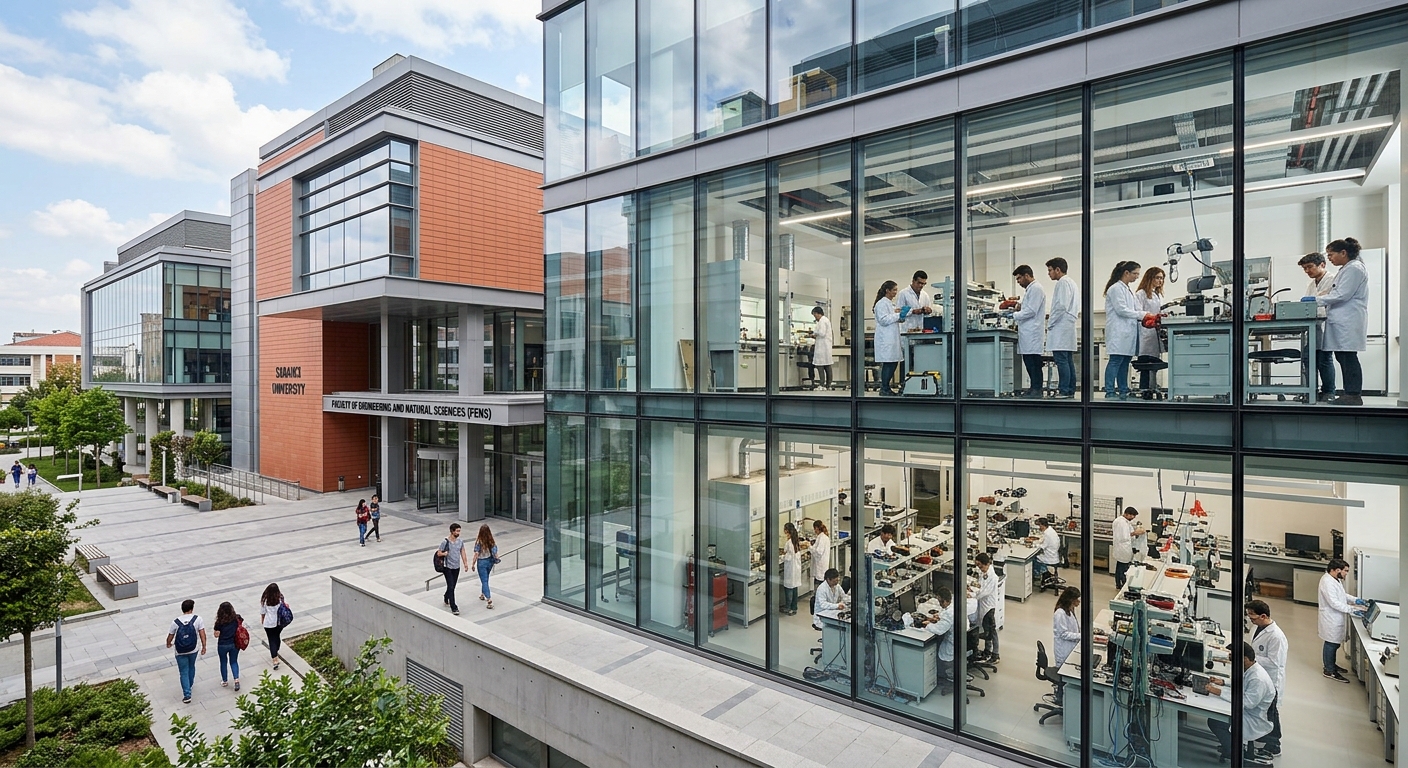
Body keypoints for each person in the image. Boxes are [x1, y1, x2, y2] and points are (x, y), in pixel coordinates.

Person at [1204, 642, 1276, 765]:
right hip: (1248, 711)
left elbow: (1247, 703)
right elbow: (1241, 683)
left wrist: (1219, 692)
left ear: (1245, 659)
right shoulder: (1249, 669)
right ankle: (1232, 745)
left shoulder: (1258, 678)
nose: (1230, 659)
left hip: (1252, 718)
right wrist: (1223, 682)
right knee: (1217, 714)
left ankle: (1235, 753)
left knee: (1216, 721)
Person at [1318, 237, 1370, 405]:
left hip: (1348, 319)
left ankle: (1353, 395)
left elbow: (1342, 294)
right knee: (1343, 356)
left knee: (1348, 357)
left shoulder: (1354, 268)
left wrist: (1316, 300)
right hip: (1342, 319)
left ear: (1343, 252)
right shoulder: (1347, 268)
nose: (1329, 258)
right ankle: (1351, 393)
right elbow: (1338, 291)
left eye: (1331, 254)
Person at [1246, 600, 1286, 757]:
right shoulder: (1258, 628)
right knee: (1263, 710)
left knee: (1271, 712)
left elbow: (1275, 662)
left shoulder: (1276, 636)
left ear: (1263, 616)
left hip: (1271, 679)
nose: (1251, 620)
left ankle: (1274, 744)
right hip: (1258, 675)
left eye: (1253, 617)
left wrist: (1250, 658)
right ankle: (1262, 736)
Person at [1102, 260, 1145, 400]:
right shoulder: (1115, 288)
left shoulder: (1127, 289)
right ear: (1126, 273)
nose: (1137, 277)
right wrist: (1141, 315)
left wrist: (1146, 315)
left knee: (1125, 361)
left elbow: (1135, 308)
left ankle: (1123, 389)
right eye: (1135, 274)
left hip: (1127, 332)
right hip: (1118, 331)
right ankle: (1109, 391)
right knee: (1115, 360)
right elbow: (1121, 310)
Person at [1318, 558, 1364, 682]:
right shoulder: (1327, 582)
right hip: (1331, 617)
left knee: (1335, 643)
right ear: (1337, 570)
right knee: (1331, 644)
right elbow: (1334, 602)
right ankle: (1329, 670)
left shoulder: (1335, 579)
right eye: (1345, 571)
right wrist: (1352, 609)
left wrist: (1356, 600)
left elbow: (1342, 595)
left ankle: (1331, 665)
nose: (1346, 574)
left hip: (1336, 617)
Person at [1299, 252, 1336, 401]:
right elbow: (1308, 305)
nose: (1307, 271)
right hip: (1313, 327)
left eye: (1309, 267)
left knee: (1324, 360)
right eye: (1305, 269)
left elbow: (1328, 301)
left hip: (1326, 325)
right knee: (1308, 358)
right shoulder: (1310, 285)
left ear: (1322, 264)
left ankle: (1329, 392)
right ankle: (1311, 391)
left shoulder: (1332, 280)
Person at [1009, 265, 1048, 398]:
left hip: (1032, 332)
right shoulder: (1031, 290)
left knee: (1034, 363)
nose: (1018, 281)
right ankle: (1034, 388)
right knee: (1030, 363)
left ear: (1027, 275)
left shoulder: (1036, 288)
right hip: (1028, 332)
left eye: (1019, 278)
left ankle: (1037, 389)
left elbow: (1031, 311)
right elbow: (1028, 308)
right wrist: (1020, 308)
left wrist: (1013, 315)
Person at [1045, 258, 1079, 399]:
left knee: (1061, 360)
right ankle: (1070, 389)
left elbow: (1061, 306)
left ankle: (1064, 390)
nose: (1049, 274)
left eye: (1050, 270)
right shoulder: (1071, 283)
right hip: (1067, 326)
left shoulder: (1063, 283)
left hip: (1061, 326)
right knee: (1067, 359)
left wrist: (1050, 323)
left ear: (1058, 269)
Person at [915, 585, 956, 695]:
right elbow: (945, 615)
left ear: (945, 601)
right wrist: (938, 617)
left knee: (940, 653)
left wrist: (926, 625)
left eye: (940, 602)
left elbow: (939, 630)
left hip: (952, 643)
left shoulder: (949, 614)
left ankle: (951, 680)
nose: (940, 604)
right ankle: (945, 675)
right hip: (961, 638)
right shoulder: (952, 607)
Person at [165, 598, 207, 704]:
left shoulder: (175, 622)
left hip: (180, 651)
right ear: (192, 609)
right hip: (193, 649)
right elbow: (202, 634)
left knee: (183, 671)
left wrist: (168, 643)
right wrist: (204, 646)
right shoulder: (198, 619)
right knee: (191, 666)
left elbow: (170, 636)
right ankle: (190, 684)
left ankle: (187, 694)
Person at [1134, 267, 1165, 398]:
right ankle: (1145, 389)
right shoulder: (1140, 294)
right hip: (1145, 331)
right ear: (1150, 278)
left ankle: (1153, 387)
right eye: (1157, 277)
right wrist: (1151, 317)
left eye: (1162, 278)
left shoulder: (1157, 295)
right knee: (1145, 363)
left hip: (1154, 332)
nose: (1160, 280)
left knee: (1154, 362)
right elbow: (1138, 312)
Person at [1052, 587, 1081, 704]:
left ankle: (1062, 695)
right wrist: (1080, 636)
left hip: (1070, 647)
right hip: (1064, 651)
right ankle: (1060, 699)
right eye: (1076, 600)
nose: (1078, 602)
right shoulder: (1060, 614)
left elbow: (1074, 627)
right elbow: (1063, 634)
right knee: (1065, 675)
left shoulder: (1070, 610)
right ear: (1070, 599)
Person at [873, 281, 903, 395]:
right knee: (889, 363)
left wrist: (900, 316)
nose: (896, 292)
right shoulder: (881, 304)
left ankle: (886, 387)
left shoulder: (890, 303)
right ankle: (884, 388)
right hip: (885, 338)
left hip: (892, 337)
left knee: (893, 362)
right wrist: (898, 315)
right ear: (887, 290)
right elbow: (883, 320)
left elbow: (891, 318)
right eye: (894, 290)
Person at [972, 552, 1000, 663]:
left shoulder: (992, 577)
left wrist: (974, 595)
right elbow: (981, 586)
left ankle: (995, 655)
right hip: (983, 606)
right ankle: (987, 651)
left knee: (991, 632)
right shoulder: (985, 573)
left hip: (989, 607)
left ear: (987, 564)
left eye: (981, 566)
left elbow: (985, 592)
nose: (980, 568)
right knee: (986, 630)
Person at [435, 523, 468, 615]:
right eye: (457, 531)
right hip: (447, 567)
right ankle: (454, 607)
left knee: (453, 585)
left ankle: (446, 596)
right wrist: (444, 554)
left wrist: (465, 563)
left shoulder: (460, 542)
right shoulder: (445, 542)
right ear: (452, 531)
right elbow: (438, 553)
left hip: (456, 567)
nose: (459, 533)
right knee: (451, 586)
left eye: (459, 531)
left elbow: (463, 552)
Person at [1111, 507, 1145, 591]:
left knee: (1120, 567)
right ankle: (1122, 584)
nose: (1133, 518)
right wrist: (1135, 533)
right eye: (1132, 516)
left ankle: (1119, 584)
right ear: (1127, 514)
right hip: (1123, 548)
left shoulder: (1125, 521)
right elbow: (1124, 537)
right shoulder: (1121, 522)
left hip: (1123, 548)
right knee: (1122, 568)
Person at [212, 601, 242, 692]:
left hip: (222, 644)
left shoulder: (219, 622)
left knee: (223, 662)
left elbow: (216, 635)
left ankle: (225, 681)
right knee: (233, 661)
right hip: (234, 643)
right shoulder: (237, 618)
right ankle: (236, 680)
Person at [470, 524, 498, 609]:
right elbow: (495, 552)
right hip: (490, 561)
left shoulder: (479, 542)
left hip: (481, 562)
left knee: (484, 580)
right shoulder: (491, 541)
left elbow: (476, 554)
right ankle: (482, 594)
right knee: (485, 578)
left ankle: (488, 598)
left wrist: (473, 564)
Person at [259, 583, 286, 670]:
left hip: (268, 624)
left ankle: (275, 659)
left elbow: (263, 613)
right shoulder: (280, 598)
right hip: (279, 623)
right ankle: (275, 651)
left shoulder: (265, 600)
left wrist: (263, 621)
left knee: (271, 640)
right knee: (276, 637)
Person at [809, 307, 834, 390]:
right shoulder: (825, 320)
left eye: (814, 315)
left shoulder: (822, 321)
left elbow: (822, 333)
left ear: (818, 313)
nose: (814, 317)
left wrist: (814, 333)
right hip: (825, 345)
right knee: (827, 365)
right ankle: (828, 384)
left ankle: (822, 384)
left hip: (822, 347)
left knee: (820, 365)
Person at [779, 522, 802, 615]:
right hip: (795, 569)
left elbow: (788, 556)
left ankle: (788, 608)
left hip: (791, 569)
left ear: (786, 531)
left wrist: (781, 557)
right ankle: (794, 607)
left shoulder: (789, 542)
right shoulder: (795, 540)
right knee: (794, 588)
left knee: (789, 588)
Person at [809, 520, 830, 615]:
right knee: (820, 584)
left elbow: (818, 552)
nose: (814, 531)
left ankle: (818, 605)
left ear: (817, 528)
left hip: (820, 566)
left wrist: (809, 547)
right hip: (822, 566)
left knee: (819, 586)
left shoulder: (822, 538)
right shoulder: (823, 537)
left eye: (814, 529)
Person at [1031, 518, 1060, 586]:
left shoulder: (1047, 534)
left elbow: (1042, 547)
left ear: (1042, 525)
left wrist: (1033, 544)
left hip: (1049, 557)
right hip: (1054, 555)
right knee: (1036, 556)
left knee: (1032, 559)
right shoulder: (1050, 530)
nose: (1039, 528)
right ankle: (1046, 573)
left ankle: (1043, 574)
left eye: (1039, 526)